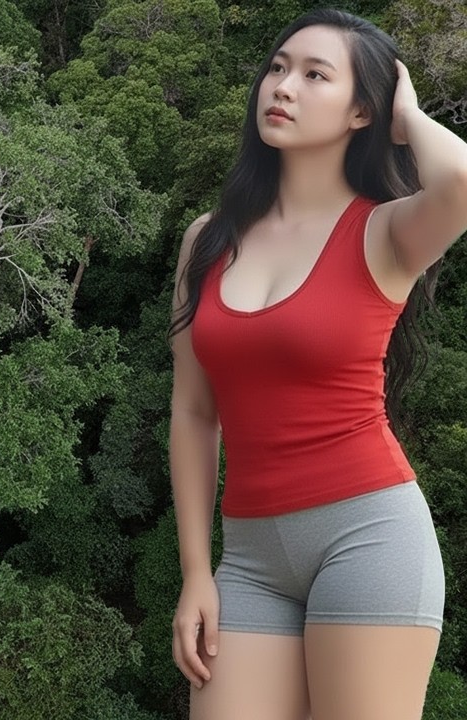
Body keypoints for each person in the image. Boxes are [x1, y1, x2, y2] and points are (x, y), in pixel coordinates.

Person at [168, 9, 467, 720]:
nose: (283, 85)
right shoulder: (207, 241)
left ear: (361, 108)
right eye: (277, 67)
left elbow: (460, 180)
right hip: (247, 559)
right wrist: (195, 573)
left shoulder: (388, 230)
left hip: (369, 536)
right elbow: (193, 412)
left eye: (314, 74)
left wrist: (406, 116)